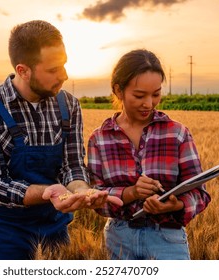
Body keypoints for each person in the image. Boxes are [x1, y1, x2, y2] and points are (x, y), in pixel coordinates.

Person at [0, 20, 121, 260]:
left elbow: (72, 165)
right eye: (53, 69)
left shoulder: (69, 105)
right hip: (1, 236)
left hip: (54, 232)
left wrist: (81, 190)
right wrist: (49, 192)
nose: (65, 75)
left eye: (64, 65)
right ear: (23, 70)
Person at [87, 49, 211, 260]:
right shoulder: (99, 139)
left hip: (168, 239)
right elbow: (95, 197)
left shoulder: (177, 133)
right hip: (119, 239)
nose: (149, 103)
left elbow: (200, 193)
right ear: (119, 91)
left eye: (156, 94)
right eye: (139, 95)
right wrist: (132, 192)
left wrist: (176, 204)